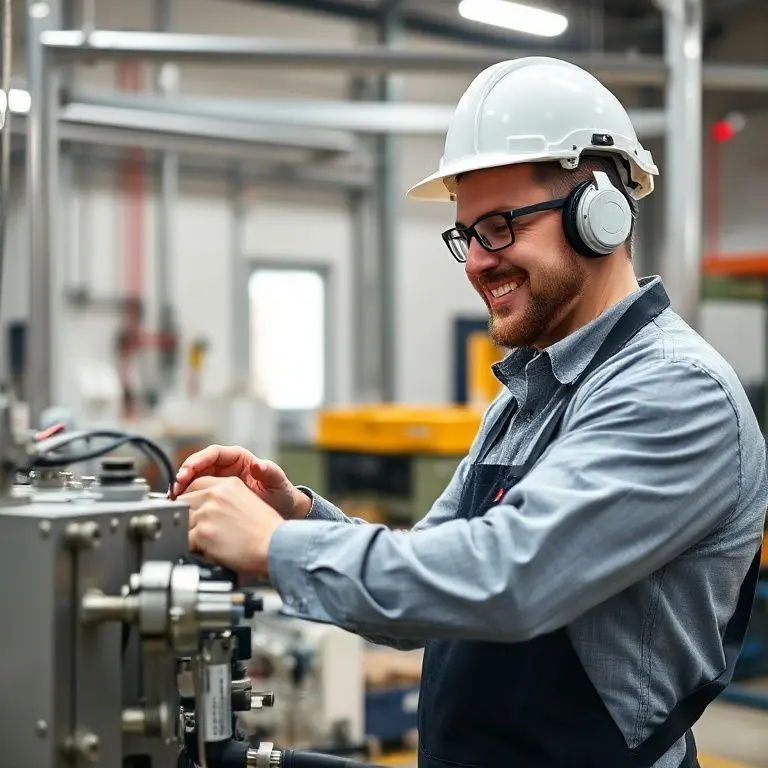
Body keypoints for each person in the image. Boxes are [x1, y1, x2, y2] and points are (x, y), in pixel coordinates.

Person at [171, 57, 768, 768]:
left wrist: (272, 547)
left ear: (599, 213)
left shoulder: (675, 392)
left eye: (500, 226)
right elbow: (435, 584)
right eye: (466, 234)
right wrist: (298, 514)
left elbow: (505, 580)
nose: (476, 263)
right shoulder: (529, 394)